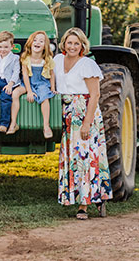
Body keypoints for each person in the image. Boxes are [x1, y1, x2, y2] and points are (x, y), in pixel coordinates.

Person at [54, 27, 112, 220]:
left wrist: (87, 123)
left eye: (76, 43)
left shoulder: (87, 64)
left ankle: (84, 205)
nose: (72, 46)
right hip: (67, 115)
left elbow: (95, 95)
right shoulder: (57, 60)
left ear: (82, 46)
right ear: (64, 43)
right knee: (73, 158)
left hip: (84, 112)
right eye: (69, 42)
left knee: (85, 158)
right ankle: (95, 197)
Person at [6, 31, 56, 138]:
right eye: (35, 40)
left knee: (45, 98)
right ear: (30, 42)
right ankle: (13, 123)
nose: (37, 42)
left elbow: (52, 74)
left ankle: (46, 126)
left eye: (41, 41)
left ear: (45, 46)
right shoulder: (25, 58)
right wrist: (29, 91)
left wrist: (52, 88)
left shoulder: (47, 59)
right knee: (15, 93)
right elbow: (25, 76)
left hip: (42, 82)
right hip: (27, 82)